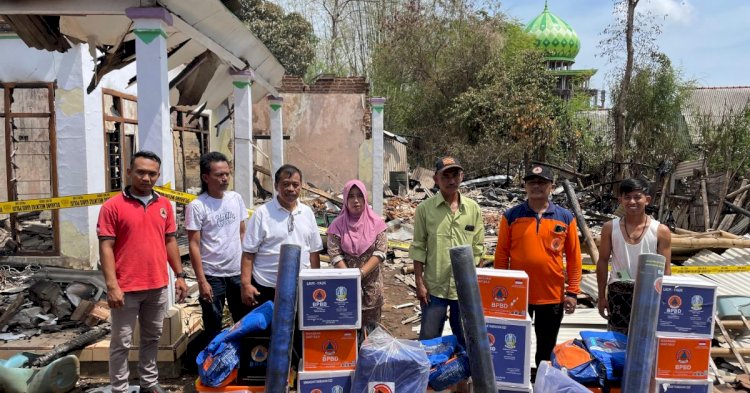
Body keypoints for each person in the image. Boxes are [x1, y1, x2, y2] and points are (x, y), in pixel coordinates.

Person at [98, 151, 188, 393]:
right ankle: (119, 387)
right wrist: (112, 285)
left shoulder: (164, 205)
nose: (146, 178)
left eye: (152, 173)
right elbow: (105, 247)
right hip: (126, 287)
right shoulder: (112, 206)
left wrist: (179, 276)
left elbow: (170, 242)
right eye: (140, 172)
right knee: (121, 342)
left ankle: (149, 383)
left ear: (158, 175)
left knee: (152, 338)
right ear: (129, 172)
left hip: (157, 285)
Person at [494, 165, 581, 366]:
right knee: (512, 347)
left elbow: (574, 258)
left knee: (546, 348)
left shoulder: (565, 217)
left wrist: (573, 292)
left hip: (551, 296)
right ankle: (516, 384)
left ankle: (542, 383)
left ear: (551, 186)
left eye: (542, 182)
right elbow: (501, 256)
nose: (537, 186)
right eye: (532, 182)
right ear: (525, 186)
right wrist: (501, 289)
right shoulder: (511, 216)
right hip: (516, 295)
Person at [410, 157, 485, 346]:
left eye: (455, 175)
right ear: (436, 179)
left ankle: (461, 374)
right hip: (434, 288)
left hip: (464, 289)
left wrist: (476, 286)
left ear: (462, 177)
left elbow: (478, 249)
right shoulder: (424, 210)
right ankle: (429, 375)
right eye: (446, 176)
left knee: (466, 339)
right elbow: (418, 247)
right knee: (429, 340)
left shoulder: (473, 209)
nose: (451, 181)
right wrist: (419, 283)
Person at [186, 152, 250, 341]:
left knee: (243, 322)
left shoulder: (235, 199)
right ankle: (213, 365)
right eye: (219, 175)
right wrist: (201, 281)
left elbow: (242, 233)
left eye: (227, 174)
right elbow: (194, 245)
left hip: (237, 273)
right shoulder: (197, 206)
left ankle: (240, 362)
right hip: (212, 276)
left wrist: (248, 270)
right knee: (213, 324)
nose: (224, 178)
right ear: (206, 177)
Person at [240, 164, 323, 307]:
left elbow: (314, 252)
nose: (290, 188)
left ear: (300, 187)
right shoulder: (263, 213)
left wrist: (315, 283)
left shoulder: (307, 213)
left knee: (298, 329)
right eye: (285, 184)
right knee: (267, 328)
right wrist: (246, 284)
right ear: (276, 185)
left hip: (300, 289)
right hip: (267, 289)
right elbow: (248, 252)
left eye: (295, 184)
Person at [596, 178, 672, 334]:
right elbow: (602, 261)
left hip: (649, 294)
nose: (632, 201)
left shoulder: (661, 230)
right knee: (616, 342)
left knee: (646, 341)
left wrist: (665, 298)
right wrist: (601, 296)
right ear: (620, 200)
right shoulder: (610, 228)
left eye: (637, 197)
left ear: (647, 200)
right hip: (618, 293)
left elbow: (666, 267)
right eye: (627, 197)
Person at [327, 179, 388, 334]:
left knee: (372, 332)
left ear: (365, 198)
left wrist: (360, 274)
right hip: (345, 287)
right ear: (345, 199)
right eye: (351, 196)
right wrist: (350, 277)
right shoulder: (337, 225)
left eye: (360, 196)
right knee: (347, 329)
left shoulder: (377, 223)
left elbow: (380, 252)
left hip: (372, 285)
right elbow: (334, 253)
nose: (356, 200)